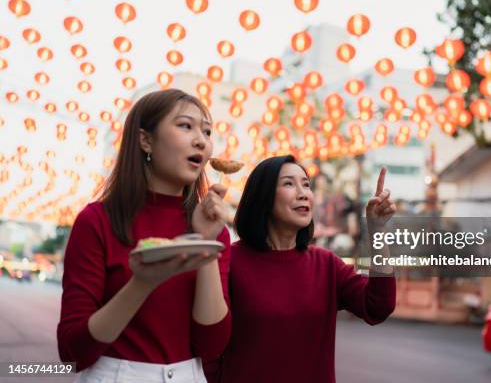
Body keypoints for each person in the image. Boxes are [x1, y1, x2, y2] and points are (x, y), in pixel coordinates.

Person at [57, 89, 231, 382]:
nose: (201, 140)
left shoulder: (213, 228)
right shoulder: (97, 220)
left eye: (207, 131)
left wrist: (207, 244)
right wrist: (144, 282)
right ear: (145, 140)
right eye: (185, 126)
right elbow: (73, 351)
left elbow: (211, 346)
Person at [210, 155, 396, 383]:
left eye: (306, 185)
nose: (303, 193)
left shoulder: (326, 264)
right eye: (289, 183)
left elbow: (378, 306)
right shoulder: (230, 260)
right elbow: (208, 345)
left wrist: (377, 230)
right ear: (263, 197)